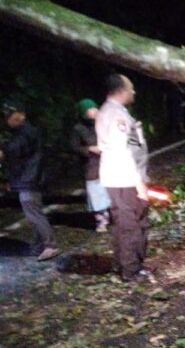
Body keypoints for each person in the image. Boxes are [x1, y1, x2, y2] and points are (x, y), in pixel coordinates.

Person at [96, 74, 152, 281]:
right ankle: (132, 270)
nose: (134, 92)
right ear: (120, 90)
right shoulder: (116, 115)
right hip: (125, 178)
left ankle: (122, 264)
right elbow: (124, 151)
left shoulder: (106, 111)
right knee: (132, 225)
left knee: (122, 223)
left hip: (114, 177)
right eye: (131, 88)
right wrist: (139, 183)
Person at [0, 102, 59, 261]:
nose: (9, 120)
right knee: (33, 212)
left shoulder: (26, 132)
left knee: (34, 213)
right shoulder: (26, 131)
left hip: (29, 179)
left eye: (12, 116)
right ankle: (38, 246)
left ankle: (50, 245)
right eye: (7, 117)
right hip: (30, 178)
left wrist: (4, 150)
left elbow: (16, 148)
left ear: (22, 114)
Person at [71, 98, 111, 233]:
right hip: (91, 166)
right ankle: (101, 221)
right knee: (96, 194)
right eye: (90, 109)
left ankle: (111, 216)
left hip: (107, 163)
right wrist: (89, 149)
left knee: (109, 192)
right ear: (84, 112)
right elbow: (74, 147)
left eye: (95, 108)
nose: (94, 111)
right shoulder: (78, 129)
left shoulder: (103, 123)